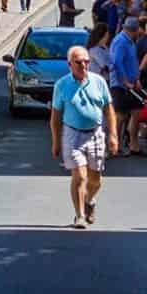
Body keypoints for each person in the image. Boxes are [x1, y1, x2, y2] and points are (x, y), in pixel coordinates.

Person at [49, 44, 119, 228]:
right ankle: (79, 215)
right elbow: (55, 118)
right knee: (79, 176)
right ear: (69, 64)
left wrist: (113, 135)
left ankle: (90, 201)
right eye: (79, 62)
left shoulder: (99, 82)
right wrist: (56, 142)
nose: (84, 65)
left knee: (95, 179)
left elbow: (109, 110)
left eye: (86, 61)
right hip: (72, 134)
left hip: (95, 133)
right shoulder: (62, 85)